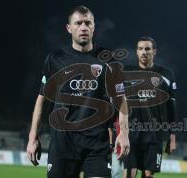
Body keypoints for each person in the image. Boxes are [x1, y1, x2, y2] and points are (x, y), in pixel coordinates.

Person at [26, 5, 129, 178]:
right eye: (78, 23)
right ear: (69, 28)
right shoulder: (55, 59)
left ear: (94, 27)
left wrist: (124, 134)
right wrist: (32, 137)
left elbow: (121, 99)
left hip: (97, 144)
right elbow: (41, 99)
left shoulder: (109, 60)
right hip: (62, 144)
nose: (83, 27)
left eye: (88, 23)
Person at [123, 37, 177, 178]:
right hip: (131, 133)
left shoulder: (166, 74)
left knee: (148, 175)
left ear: (154, 51)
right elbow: (119, 103)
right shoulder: (126, 73)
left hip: (155, 134)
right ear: (136, 52)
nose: (144, 52)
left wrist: (172, 136)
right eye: (140, 49)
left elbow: (172, 107)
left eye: (147, 49)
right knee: (130, 173)